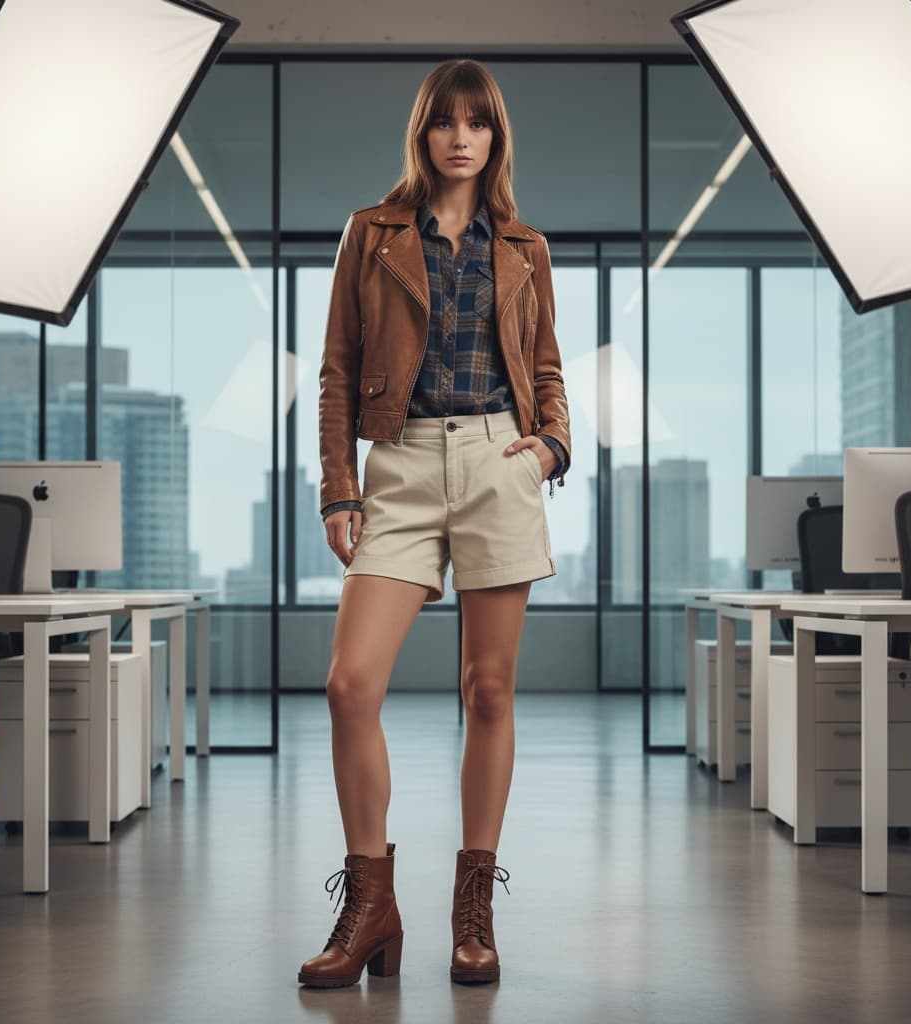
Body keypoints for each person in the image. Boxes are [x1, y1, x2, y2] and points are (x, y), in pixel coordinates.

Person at [298, 57, 571, 990]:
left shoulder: (523, 247)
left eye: (478, 122)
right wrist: (340, 488)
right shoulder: (372, 234)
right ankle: (372, 906)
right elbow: (336, 369)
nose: (461, 137)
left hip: (500, 459)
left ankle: (473, 912)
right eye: (444, 121)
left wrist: (549, 447)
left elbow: (547, 370)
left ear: (495, 136)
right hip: (401, 464)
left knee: (487, 693)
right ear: (421, 133)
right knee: (349, 685)